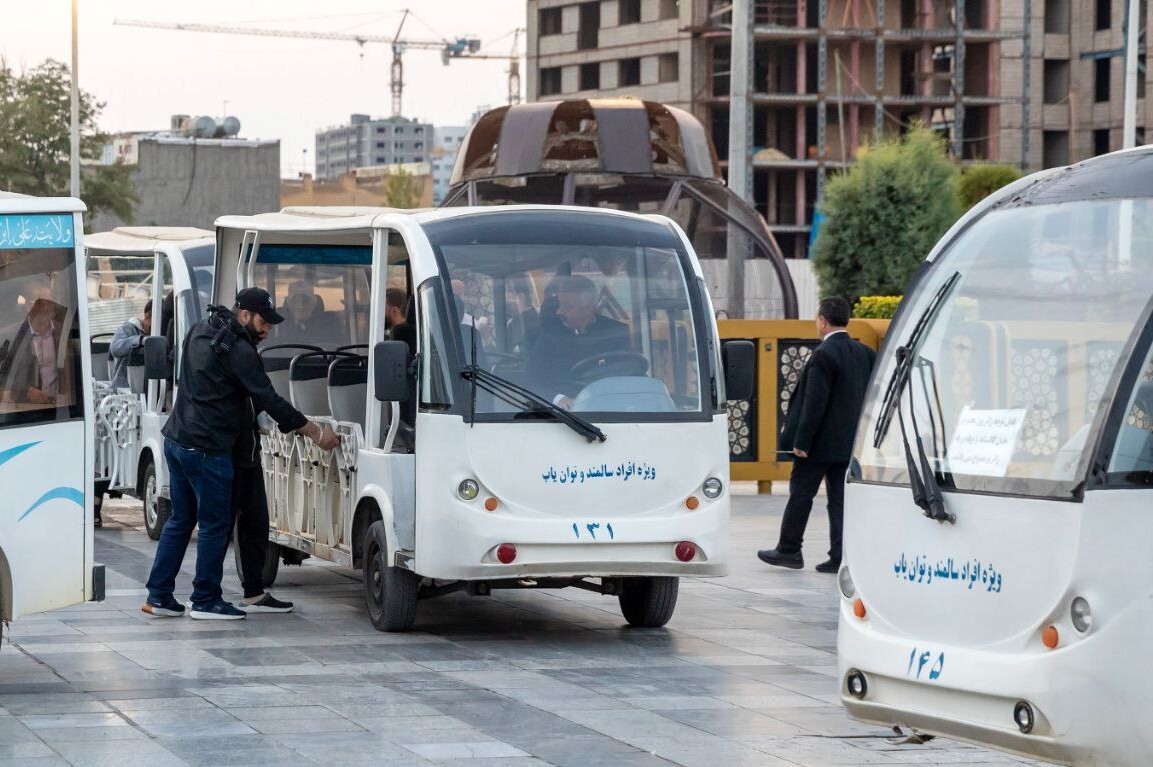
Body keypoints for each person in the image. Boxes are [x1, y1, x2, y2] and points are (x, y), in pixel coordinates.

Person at [142, 287, 340, 621]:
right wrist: (315, 432)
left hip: (176, 440)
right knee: (215, 524)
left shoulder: (200, 329)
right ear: (244, 315)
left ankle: (158, 595)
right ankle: (205, 599)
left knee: (180, 520)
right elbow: (269, 398)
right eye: (264, 322)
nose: (267, 330)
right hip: (208, 447)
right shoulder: (239, 349)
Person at [758, 297, 875, 573]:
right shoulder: (866, 354)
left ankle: (789, 549)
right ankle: (839, 556)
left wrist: (801, 441)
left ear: (822, 321)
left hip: (818, 446)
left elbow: (814, 403)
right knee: (840, 500)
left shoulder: (824, 354)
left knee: (801, 494)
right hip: (849, 444)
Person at [526, 275, 629, 407]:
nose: (559, 311)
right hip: (563, 415)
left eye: (567, 306)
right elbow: (530, 381)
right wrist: (559, 399)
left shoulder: (616, 332)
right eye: (559, 304)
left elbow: (630, 371)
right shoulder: (549, 336)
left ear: (589, 309)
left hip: (611, 406)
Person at [230, 401, 293, 613]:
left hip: (245, 454)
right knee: (220, 527)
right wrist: (308, 428)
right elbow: (263, 391)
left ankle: (253, 593)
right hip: (229, 453)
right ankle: (204, 594)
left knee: (255, 522)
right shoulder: (238, 366)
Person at [0, 284, 63, 406]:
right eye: (40, 303)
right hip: (24, 410)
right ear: (28, 306)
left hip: (61, 409)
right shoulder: (11, 337)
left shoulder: (63, 332)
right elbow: (3, 379)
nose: (45, 308)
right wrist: (25, 393)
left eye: (49, 303)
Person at [278, 280, 344, 346]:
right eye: (295, 301)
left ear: (314, 303)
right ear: (288, 303)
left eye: (306, 300)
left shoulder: (331, 323)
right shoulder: (277, 325)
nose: (301, 306)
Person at [108, 300, 152, 389]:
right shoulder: (129, 328)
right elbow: (115, 348)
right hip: (125, 390)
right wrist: (140, 340)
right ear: (147, 316)